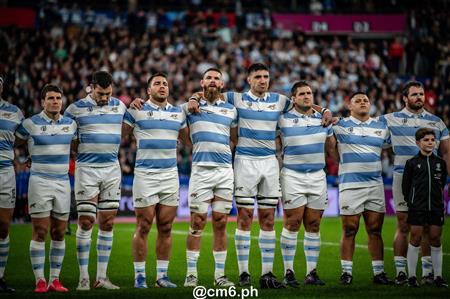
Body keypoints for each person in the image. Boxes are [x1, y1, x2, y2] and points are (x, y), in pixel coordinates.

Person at [186, 63, 332, 288]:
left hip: (270, 163)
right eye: (258, 77)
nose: (263, 80)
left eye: (266, 76)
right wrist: (194, 99)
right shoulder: (236, 98)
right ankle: (244, 273)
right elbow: (208, 91)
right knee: (244, 217)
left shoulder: (280, 101)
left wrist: (324, 111)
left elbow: (305, 103)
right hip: (245, 162)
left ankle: (267, 273)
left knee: (268, 219)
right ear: (248, 79)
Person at [123, 73, 189, 288]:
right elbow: (120, 136)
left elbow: (189, 141)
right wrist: (127, 108)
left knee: (166, 227)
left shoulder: (178, 113)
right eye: (157, 83)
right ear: (148, 90)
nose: (162, 86)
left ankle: (162, 277)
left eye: (165, 84)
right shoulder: (137, 110)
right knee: (143, 226)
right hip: (145, 175)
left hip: (170, 175)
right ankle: (139, 276)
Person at [379, 81, 449, 285]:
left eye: (421, 94)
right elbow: (367, 127)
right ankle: (402, 272)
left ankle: (428, 273)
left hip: (431, 178)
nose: (419, 97)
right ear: (405, 98)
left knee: (429, 227)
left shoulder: (436, 122)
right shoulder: (389, 119)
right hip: (404, 177)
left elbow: (446, 151)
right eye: (415, 94)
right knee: (404, 224)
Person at [64, 71, 127, 290]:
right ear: (91, 88)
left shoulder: (119, 105)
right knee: (86, 221)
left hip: (111, 169)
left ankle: (101, 277)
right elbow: (68, 139)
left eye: (108, 93)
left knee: (108, 223)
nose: (105, 98)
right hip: (87, 170)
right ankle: (83, 278)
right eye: (101, 93)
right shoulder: (74, 109)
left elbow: (130, 127)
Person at [15, 84, 77, 293]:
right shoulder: (29, 124)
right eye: (50, 98)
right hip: (39, 181)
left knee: (59, 232)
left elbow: (77, 147)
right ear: (42, 102)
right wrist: (25, 159)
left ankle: (55, 280)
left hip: (62, 182)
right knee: (40, 231)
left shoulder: (71, 124)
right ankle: (40, 280)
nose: (55, 101)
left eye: (58, 98)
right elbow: (12, 142)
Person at [182, 68, 238, 287]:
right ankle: (191, 274)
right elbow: (176, 126)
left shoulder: (231, 110)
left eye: (217, 78)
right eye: (209, 78)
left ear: (222, 85)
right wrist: (193, 145)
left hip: (225, 172)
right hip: (201, 172)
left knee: (221, 222)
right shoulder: (189, 108)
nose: (213, 81)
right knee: (197, 222)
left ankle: (219, 276)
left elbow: (234, 138)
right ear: (202, 83)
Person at [330, 92, 393, 285]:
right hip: (350, 185)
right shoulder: (339, 125)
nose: (363, 102)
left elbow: (396, 145)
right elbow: (330, 148)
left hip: (375, 184)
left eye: (366, 100)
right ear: (350, 106)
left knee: (375, 230)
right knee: (350, 229)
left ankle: (379, 273)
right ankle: (346, 273)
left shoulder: (381, 127)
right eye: (358, 100)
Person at [277, 81, 333, 287]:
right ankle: (288, 271)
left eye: (309, 93)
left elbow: (331, 148)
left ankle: (311, 273)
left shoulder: (323, 120)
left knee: (314, 224)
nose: (306, 96)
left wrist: (326, 111)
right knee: (293, 222)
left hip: (318, 175)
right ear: (293, 98)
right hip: (292, 175)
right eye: (301, 94)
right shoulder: (282, 119)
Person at [403, 128, 448, 288]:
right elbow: (406, 187)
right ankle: (412, 277)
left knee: (436, 239)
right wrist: (413, 202)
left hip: (436, 207)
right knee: (415, 238)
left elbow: (441, 183)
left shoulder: (440, 163)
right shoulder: (412, 163)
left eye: (432, 140)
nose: (430, 142)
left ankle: (438, 276)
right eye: (426, 140)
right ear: (418, 143)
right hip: (417, 208)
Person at [0, 76, 24, 293]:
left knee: (3, 226)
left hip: (5, 171)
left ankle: (0, 277)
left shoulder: (14, 112)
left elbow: (24, 138)